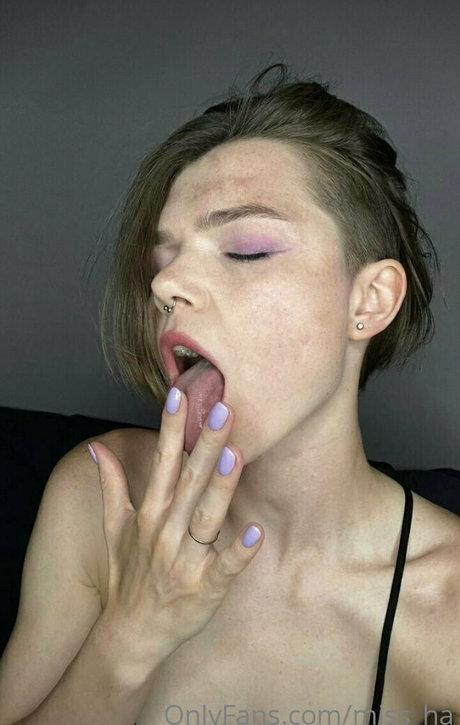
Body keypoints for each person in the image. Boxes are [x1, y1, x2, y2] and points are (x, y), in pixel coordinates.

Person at [0, 63, 459, 725]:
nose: (166, 286)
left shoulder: (450, 605)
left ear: (368, 300)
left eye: (245, 250)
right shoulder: (103, 496)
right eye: (164, 260)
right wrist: (130, 637)